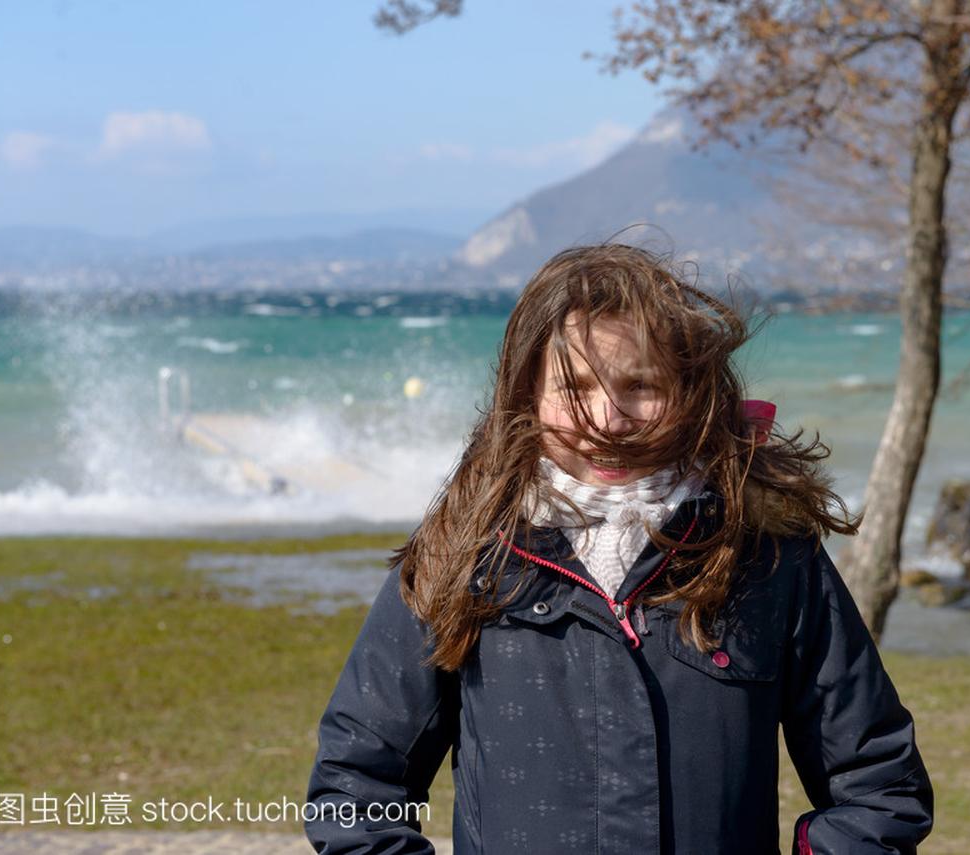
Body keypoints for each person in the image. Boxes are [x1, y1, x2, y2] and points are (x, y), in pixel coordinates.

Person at [304, 244, 934, 854]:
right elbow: (356, 790)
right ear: (524, 394)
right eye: (575, 386)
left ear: (694, 394)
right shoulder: (463, 555)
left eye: (641, 385)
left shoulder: (767, 556)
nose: (607, 420)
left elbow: (879, 788)